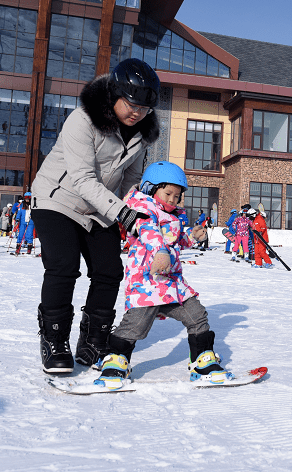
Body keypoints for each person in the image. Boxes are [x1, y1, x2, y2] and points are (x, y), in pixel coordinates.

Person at [31, 58, 160, 373]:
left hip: (99, 208)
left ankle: (93, 341)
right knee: (63, 266)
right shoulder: (81, 120)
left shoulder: (140, 134)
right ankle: (54, 339)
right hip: (57, 199)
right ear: (114, 94)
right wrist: (121, 213)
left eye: (144, 109)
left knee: (109, 270)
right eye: (131, 104)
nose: (136, 113)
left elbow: (130, 178)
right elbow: (83, 180)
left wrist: (137, 209)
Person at [93, 162, 245, 389]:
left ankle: (202, 361)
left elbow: (174, 239)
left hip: (172, 284)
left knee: (197, 315)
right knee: (135, 326)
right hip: (148, 283)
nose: (173, 200)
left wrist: (191, 237)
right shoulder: (142, 209)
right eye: (168, 193)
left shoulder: (171, 215)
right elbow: (149, 232)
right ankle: (115, 361)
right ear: (149, 189)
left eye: (177, 196)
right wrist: (160, 251)